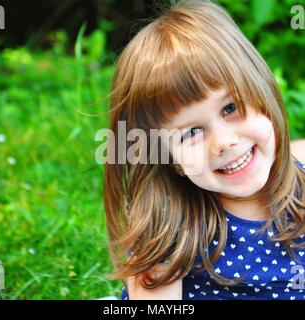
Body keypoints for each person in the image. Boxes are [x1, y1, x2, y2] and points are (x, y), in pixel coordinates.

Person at [103, 0, 305, 300]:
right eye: (191, 132)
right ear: (169, 159)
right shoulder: (168, 225)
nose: (224, 141)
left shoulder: (298, 178)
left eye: (230, 107)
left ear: (263, 90)